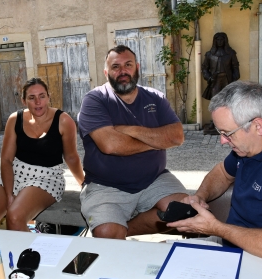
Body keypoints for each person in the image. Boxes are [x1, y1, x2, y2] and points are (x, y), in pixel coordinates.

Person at [167, 81, 262, 267]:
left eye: (227, 133)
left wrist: (217, 228)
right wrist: (200, 196)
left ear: (258, 126)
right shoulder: (251, 146)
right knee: (160, 259)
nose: (223, 141)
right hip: (232, 247)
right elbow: (222, 173)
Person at [78, 45, 187, 240]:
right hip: (106, 186)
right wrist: (159, 140)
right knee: (108, 233)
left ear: (137, 67)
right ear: (106, 72)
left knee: (186, 211)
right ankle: (118, 229)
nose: (122, 71)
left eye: (128, 65)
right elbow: (110, 145)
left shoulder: (155, 98)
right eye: (115, 67)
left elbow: (177, 137)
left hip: (155, 179)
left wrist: (131, 130)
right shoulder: (95, 100)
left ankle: (127, 229)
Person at [0, 78, 84, 231]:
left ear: (48, 97)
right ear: (24, 100)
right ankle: (2, 253)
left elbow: (71, 157)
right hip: (14, 173)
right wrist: (9, 194)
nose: (38, 102)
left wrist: (84, 184)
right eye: (32, 98)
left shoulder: (64, 120)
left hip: (47, 177)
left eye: (42, 96)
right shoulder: (15, 119)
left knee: (15, 216)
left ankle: (33, 254)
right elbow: (6, 160)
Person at [202, 32, 240, 100]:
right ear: (215, 41)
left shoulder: (231, 53)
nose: (219, 42)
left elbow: (235, 67)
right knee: (215, 99)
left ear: (225, 40)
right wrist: (209, 78)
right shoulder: (210, 54)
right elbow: (204, 68)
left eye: (221, 40)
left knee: (227, 99)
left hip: (227, 79)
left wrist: (234, 78)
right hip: (215, 79)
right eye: (218, 40)